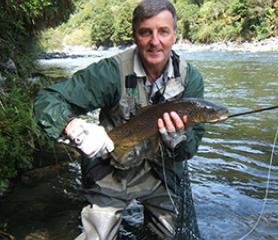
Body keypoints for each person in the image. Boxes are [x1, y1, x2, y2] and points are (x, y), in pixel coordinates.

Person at [34, 0, 204, 239]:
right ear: (134, 35)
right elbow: (48, 98)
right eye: (146, 32)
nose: (155, 41)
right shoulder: (110, 72)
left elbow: (191, 146)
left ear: (175, 35)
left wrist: (178, 142)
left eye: (163, 31)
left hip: (160, 174)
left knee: (172, 235)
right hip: (110, 169)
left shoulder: (191, 79)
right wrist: (75, 128)